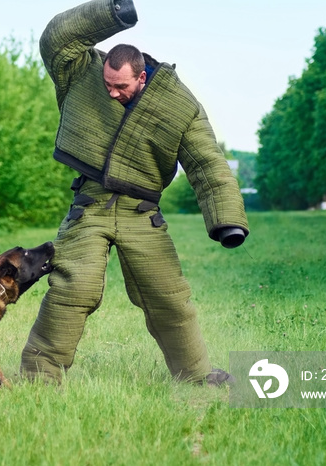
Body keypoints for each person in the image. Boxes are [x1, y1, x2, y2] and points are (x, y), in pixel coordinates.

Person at [20, 0, 249, 386]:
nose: (111, 92)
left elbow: (208, 163)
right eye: (108, 84)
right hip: (89, 204)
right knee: (74, 286)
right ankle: (38, 378)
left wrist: (227, 220)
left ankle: (195, 375)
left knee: (168, 296)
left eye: (120, 86)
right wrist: (112, 11)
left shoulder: (179, 106)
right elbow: (55, 38)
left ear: (141, 78)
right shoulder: (82, 71)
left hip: (141, 211)